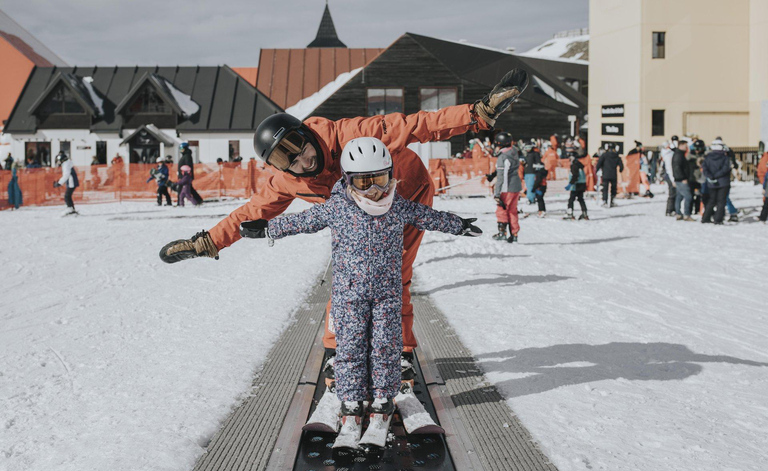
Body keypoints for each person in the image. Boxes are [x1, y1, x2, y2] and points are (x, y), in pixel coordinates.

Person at [158, 68, 530, 367]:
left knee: (393, 275)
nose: (305, 162)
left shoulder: (349, 134)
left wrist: (476, 115)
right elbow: (253, 211)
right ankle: (339, 352)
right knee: (346, 281)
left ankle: (397, 355)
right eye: (290, 163)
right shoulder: (286, 180)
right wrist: (209, 241)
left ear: (306, 134)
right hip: (353, 218)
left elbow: (416, 124)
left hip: (404, 195)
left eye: (302, 150)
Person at [239, 137, 481, 436]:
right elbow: (302, 221)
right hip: (349, 297)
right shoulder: (337, 207)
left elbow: (427, 216)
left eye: (380, 180)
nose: (375, 191)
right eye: (364, 183)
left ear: (391, 175)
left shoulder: (398, 206)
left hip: (387, 296)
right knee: (350, 349)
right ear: (348, 180)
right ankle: (351, 403)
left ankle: (382, 400)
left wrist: (458, 224)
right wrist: (267, 227)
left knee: (385, 349)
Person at [489, 132, 521, 243]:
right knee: (512, 211)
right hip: (516, 186)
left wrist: (497, 194)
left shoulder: (503, 157)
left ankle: (502, 233)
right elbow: (507, 169)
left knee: (501, 210)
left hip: (507, 188)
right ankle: (514, 233)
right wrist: (493, 174)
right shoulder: (513, 152)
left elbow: (502, 177)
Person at [701, 139, 732, 224]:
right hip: (723, 182)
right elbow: (725, 169)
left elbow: (704, 168)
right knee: (721, 201)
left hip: (711, 183)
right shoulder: (725, 158)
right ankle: (718, 219)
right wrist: (717, 175)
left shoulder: (707, 157)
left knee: (711, 201)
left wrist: (711, 176)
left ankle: (705, 218)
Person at [564, 145, 588, 220]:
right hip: (582, 184)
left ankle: (570, 212)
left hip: (576, 185)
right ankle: (584, 213)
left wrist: (571, 183)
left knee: (571, 199)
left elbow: (575, 175)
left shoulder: (574, 165)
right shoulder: (579, 164)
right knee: (581, 199)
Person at [672, 140, 695, 221]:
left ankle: (678, 213)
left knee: (679, 196)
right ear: (681, 146)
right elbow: (677, 168)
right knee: (688, 196)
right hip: (681, 179)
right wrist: (682, 178)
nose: (686, 147)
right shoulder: (679, 155)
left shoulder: (679, 154)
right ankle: (686, 214)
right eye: (685, 146)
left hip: (678, 179)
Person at [660, 141, 676, 215]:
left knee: (673, 193)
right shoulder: (668, 155)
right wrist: (673, 179)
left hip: (669, 175)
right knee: (672, 193)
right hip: (670, 176)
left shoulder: (667, 154)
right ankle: (670, 209)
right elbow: (669, 168)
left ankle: (671, 209)